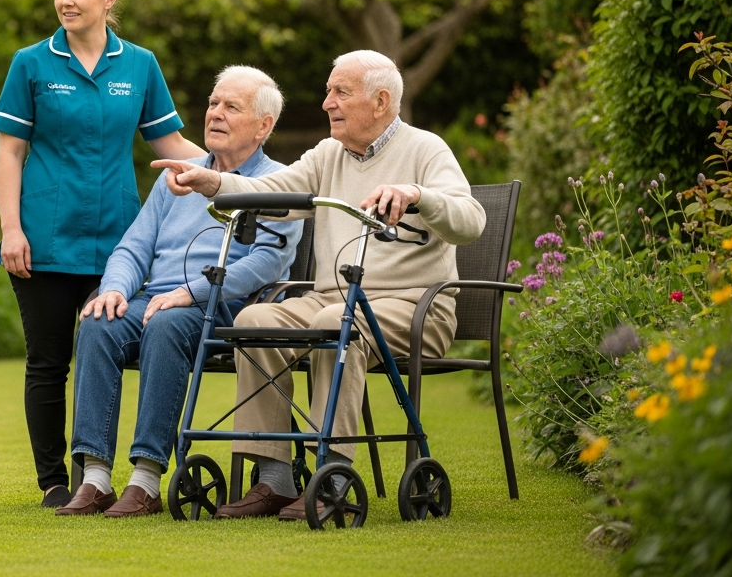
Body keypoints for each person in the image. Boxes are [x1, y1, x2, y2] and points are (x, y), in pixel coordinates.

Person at [150, 50, 485, 521]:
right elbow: (274, 193)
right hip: (334, 299)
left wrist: (417, 195)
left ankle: (335, 469)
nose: (326, 102)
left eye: (340, 92)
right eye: (329, 91)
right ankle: (274, 478)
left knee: (335, 322)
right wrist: (213, 181)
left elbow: (471, 221)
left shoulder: (425, 149)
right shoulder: (329, 154)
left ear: (381, 101)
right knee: (255, 318)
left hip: (414, 309)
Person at [0, 0, 204, 508]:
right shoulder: (31, 64)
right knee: (48, 361)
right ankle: (55, 483)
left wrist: (240, 169)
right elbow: (9, 154)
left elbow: (171, 148)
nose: (65, 2)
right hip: (43, 240)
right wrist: (11, 230)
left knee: (105, 350)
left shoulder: (140, 65)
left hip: (119, 248)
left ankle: (103, 476)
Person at [56, 66, 303, 518]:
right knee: (97, 317)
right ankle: (95, 478)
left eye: (232, 107)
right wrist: (113, 289)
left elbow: (269, 262)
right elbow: (134, 245)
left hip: (227, 306)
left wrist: (190, 293)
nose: (216, 114)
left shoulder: (279, 180)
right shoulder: (179, 177)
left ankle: (147, 479)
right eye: (213, 103)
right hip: (158, 299)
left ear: (264, 126)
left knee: (167, 323)